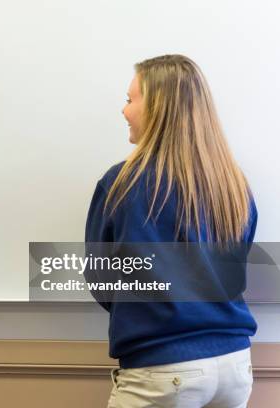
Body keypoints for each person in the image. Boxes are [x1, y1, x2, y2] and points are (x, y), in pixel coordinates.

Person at [85, 55, 257, 407]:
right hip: (234, 365)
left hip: (162, 368)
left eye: (130, 100)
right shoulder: (233, 183)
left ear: (159, 108)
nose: (124, 111)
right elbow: (236, 263)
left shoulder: (121, 183)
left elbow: (101, 279)